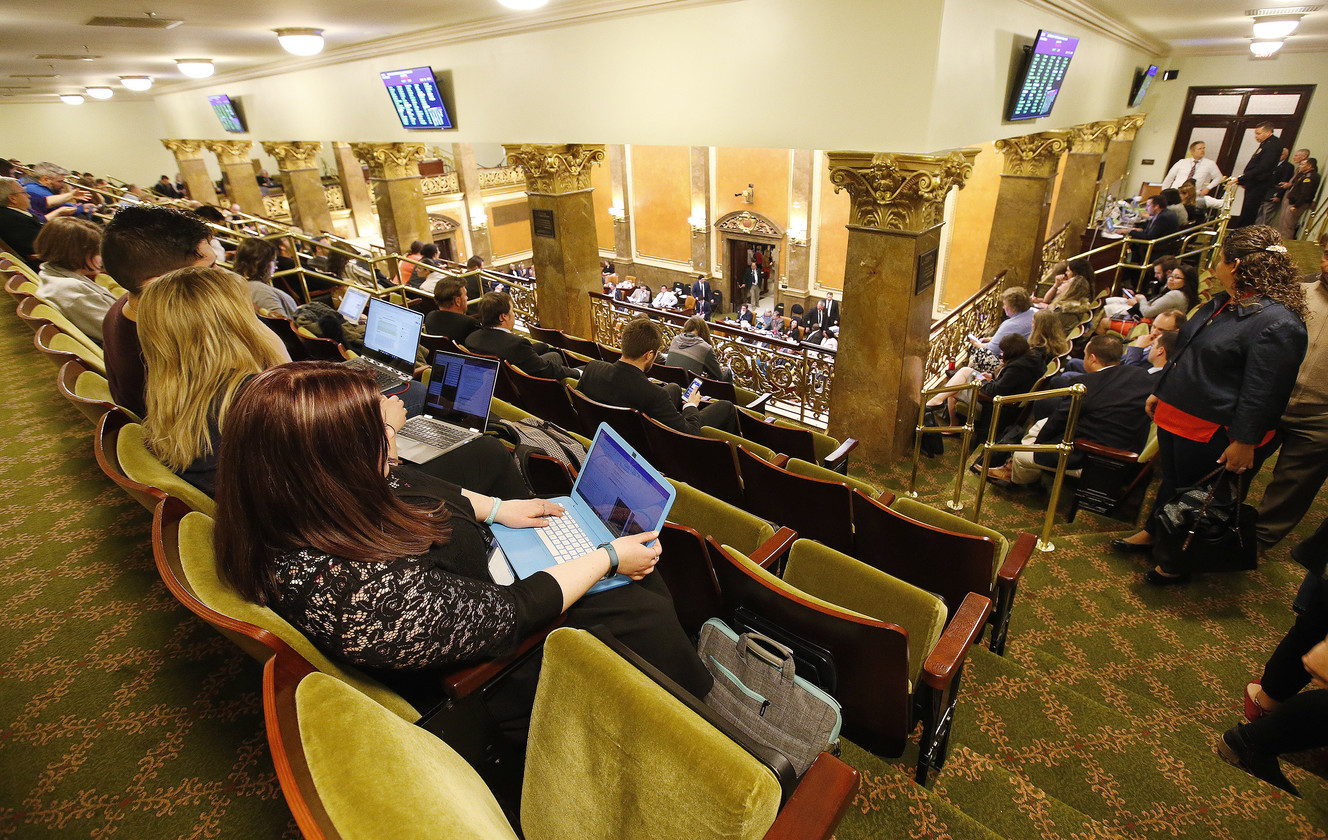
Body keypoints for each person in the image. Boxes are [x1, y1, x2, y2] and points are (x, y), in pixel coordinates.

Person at [212, 362, 711, 731]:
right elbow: (511, 613)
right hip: (485, 673)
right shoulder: (368, 595)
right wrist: (604, 559)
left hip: (467, 587)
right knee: (636, 598)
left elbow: (408, 485)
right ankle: (700, 712)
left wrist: (498, 510)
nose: (393, 440)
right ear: (333, 463)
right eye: (380, 435)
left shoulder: (301, 498)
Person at [1112, 226, 1309, 584]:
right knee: (1172, 483)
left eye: (1218, 259)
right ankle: (1155, 532)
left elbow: (1265, 390)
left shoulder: (1277, 322)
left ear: (1234, 266)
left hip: (1214, 429)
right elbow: (1187, 352)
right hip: (1179, 414)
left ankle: (1176, 562)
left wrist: (1245, 441)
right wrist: (1163, 389)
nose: (1214, 266)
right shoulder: (1225, 302)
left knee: (1198, 497)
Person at [138, 266, 291, 494]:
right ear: (236, 324)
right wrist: (281, 362)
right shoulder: (259, 399)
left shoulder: (180, 396)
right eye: (248, 312)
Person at [987, 334, 1154, 487]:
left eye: (1086, 355)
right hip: (1124, 441)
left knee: (1023, 455)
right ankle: (1014, 464)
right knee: (1039, 425)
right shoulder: (1140, 374)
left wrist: (1039, 445)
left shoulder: (1085, 385)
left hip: (1097, 457)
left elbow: (1059, 421)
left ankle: (1015, 480)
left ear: (1093, 358)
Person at [100, 205, 219, 418]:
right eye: (209, 269)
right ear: (160, 285)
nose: (220, 276)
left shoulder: (125, 304)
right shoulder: (175, 342)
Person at [1255, 236, 1328, 548]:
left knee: (1293, 485)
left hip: (1321, 415)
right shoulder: (1297, 290)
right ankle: (1216, 524)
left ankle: (1258, 540)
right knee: (1234, 466)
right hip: (1269, 399)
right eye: (1327, 254)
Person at [578, 317, 736, 433]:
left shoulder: (592, 369)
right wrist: (690, 405)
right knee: (727, 407)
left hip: (598, 431)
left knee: (674, 388)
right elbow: (690, 433)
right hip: (642, 445)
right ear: (649, 355)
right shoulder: (654, 396)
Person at [927, 333, 1044, 427]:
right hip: (1003, 397)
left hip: (998, 406)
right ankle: (940, 404)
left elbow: (994, 390)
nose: (1001, 354)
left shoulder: (1017, 368)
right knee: (964, 372)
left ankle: (942, 411)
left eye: (1003, 352)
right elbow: (1006, 382)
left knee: (954, 390)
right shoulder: (1030, 358)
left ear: (1011, 352)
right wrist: (992, 376)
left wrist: (981, 380)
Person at [32, 218, 118, 342]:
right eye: (97, 252)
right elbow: (123, 335)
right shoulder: (72, 292)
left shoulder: (52, 272)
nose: (102, 258)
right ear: (76, 254)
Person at [466, 292, 580, 380]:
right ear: (503, 317)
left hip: (497, 380)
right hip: (522, 383)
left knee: (544, 347)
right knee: (555, 356)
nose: (514, 314)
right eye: (512, 311)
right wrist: (578, 373)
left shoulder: (471, 339)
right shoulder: (516, 344)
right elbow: (545, 369)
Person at [0, 176, 69, 269]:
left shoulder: (14, 214)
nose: (29, 196)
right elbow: (39, 249)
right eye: (24, 192)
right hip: (50, 266)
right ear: (13, 198)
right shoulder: (11, 219)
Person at [967, 286, 1034, 374]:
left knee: (978, 352)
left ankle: (969, 376)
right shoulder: (1032, 313)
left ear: (1013, 308)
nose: (1003, 307)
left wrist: (976, 344)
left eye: (1005, 304)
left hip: (1012, 364)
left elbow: (992, 349)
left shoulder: (1010, 324)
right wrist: (991, 339)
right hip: (1025, 359)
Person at [1102, 263, 1198, 323]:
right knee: (1111, 301)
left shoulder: (1176, 295)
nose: (1171, 279)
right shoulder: (1175, 291)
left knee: (1106, 314)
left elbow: (1147, 312)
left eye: (1177, 277)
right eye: (1171, 276)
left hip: (1147, 323)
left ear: (1187, 281)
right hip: (1145, 315)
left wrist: (1141, 299)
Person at [232, 238, 299, 319]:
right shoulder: (260, 291)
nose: (276, 266)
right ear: (263, 263)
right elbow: (281, 324)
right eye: (274, 261)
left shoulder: (241, 285)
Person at [1236, 123, 1285, 228]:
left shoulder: (1273, 145)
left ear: (1268, 132)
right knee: (1246, 210)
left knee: (1249, 211)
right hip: (1254, 181)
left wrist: (1241, 179)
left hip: (1259, 182)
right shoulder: (1266, 143)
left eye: (1258, 133)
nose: (1256, 136)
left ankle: (1243, 234)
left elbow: (1263, 167)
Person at [666, 316, 731, 382]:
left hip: (667, 383)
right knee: (727, 371)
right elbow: (718, 376)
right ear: (704, 330)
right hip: (689, 389)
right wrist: (718, 368)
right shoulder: (705, 348)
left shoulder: (675, 339)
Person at [24, 163, 93, 222]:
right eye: (60, 181)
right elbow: (61, 206)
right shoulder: (34, 189)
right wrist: (81, 208)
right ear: (46, 179)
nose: (63, 185)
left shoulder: (32, 185)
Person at [424, 276, 481, 342]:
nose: (467, 298)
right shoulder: (470, 324)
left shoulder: (430, 317)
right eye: (465, 295)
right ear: (458, 301)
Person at [1279, 156, 1320, 242]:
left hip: (1297, 204)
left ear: (1309, 166)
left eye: (1302, 165)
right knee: (1284, 224)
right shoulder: (1303, 174)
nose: (1300, 166)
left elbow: (1305, 193)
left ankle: (1286, 245)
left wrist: (1296, 206)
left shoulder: (1310, 177)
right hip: (1293, 202)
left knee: (1288, 227)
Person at [1256, 147, 1299, 227]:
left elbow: (1285, 182)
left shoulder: (1288, 166)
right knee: (1259, 213)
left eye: (1281, 154)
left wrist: (1279, 195)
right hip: (1264, 191)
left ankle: (1263, 232)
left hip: (1275, 192)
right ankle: (1255, 230)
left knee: (1267, 215)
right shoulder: (1272, 163)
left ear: (1286, 155)